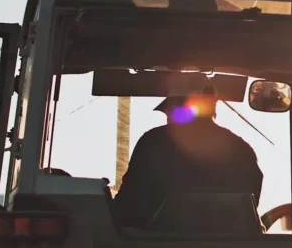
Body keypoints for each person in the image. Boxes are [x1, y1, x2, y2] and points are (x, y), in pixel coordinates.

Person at [112, 85, 264, 229]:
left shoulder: (153, 141)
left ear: (175, 109)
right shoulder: (240, 148)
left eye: (168, 110)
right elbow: (249, 206)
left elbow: (129, 202)